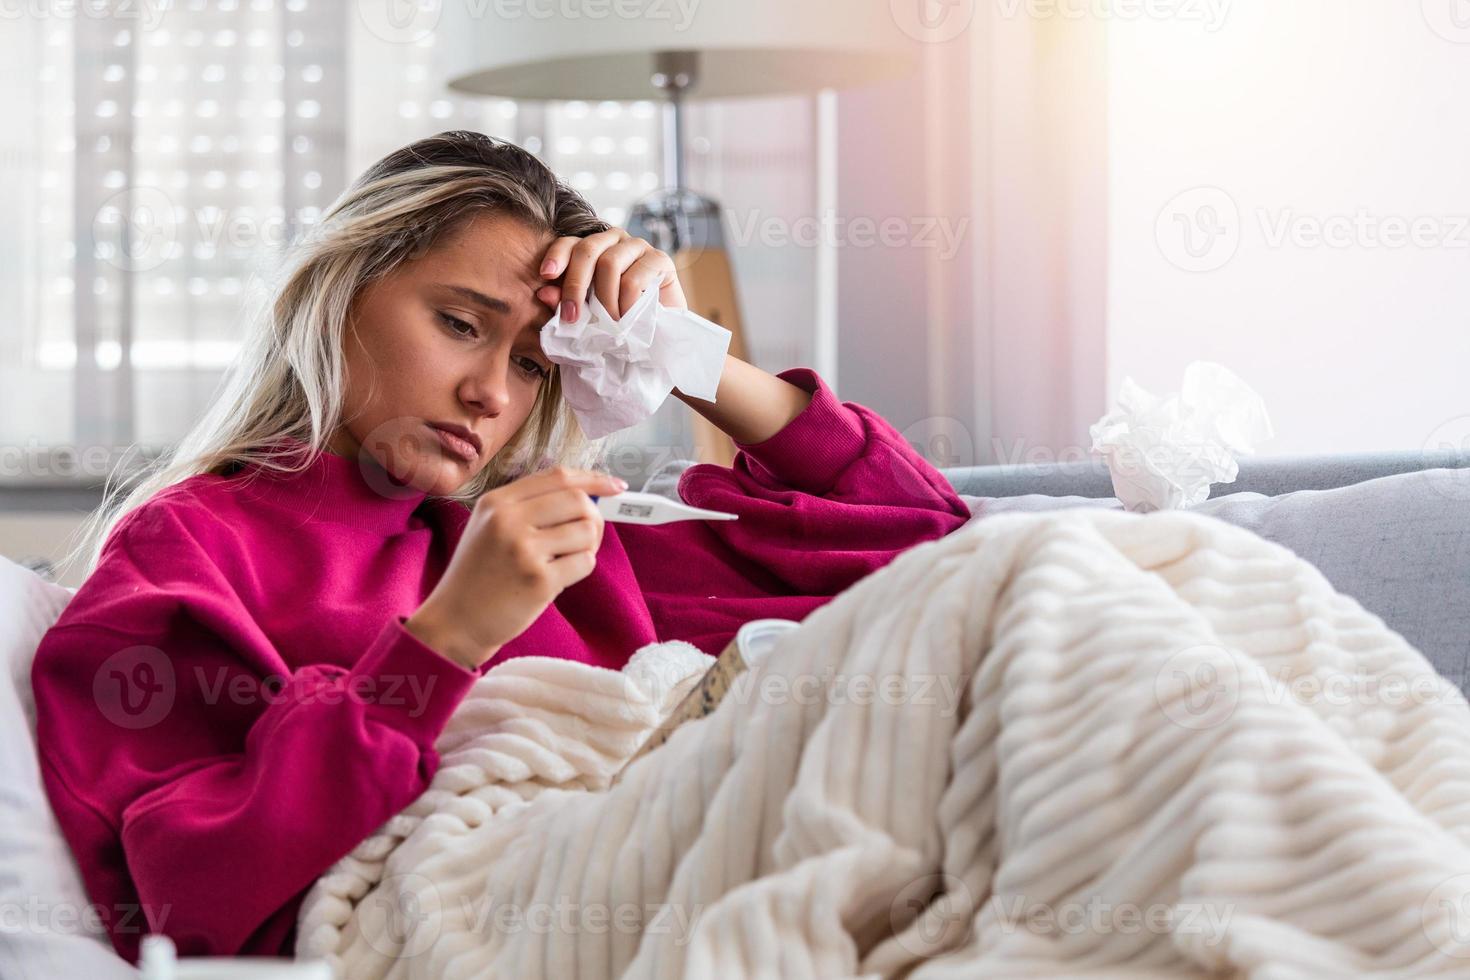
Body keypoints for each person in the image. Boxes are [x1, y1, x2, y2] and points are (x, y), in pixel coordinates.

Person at [29, 131, 973, 964]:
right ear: (339, 291)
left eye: (530, 363)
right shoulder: (196, 543)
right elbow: (187, 901)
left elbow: (924, 553)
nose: (491, 392)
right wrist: (445, 641)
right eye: (459, 324)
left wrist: (686, 354)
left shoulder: (554, 541)